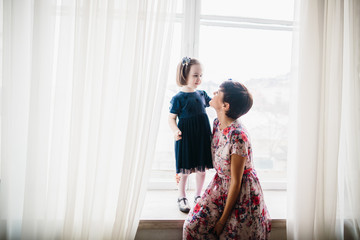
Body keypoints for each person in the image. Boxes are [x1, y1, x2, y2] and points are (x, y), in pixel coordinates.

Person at [183, 80, 271, 239]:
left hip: (241, 192)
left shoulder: (238, 136)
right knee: (192, 227)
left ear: (225, 106)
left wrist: (222, 220)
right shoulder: (217, 123)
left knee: (228, 235)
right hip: (220, 185)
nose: (214, 93)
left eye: (218, 93)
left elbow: (236, 182)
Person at [168, 57, 213, 213]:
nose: (199, 79)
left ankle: (199, 196)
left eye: (201, 75)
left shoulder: (202, 94)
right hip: (186, 137)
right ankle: (181, 196)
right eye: (195, 75)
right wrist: (175, 130)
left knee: (202, 169)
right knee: (184, 170)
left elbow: (214, 103)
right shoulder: (178, 98)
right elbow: (171, 118)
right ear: (184, 75)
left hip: (201, 135)